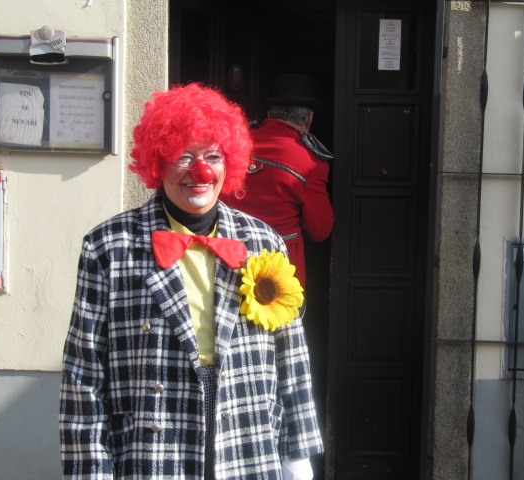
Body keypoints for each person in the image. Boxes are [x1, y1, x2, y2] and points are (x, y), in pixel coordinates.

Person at [59, 83, 323, 479]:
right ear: (157, 162)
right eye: (183, 157)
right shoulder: (108, 247)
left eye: (213, 156)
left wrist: (297, 456)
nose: (201, 172)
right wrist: (91, 471)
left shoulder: (262, 241)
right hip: (154, 451)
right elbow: (83, 374)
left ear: (229, 163)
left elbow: (291, 355)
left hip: (247, 444)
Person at [221, 73, 334, 288]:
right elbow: (320, 231)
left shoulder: (235, 144)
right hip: (279, 267)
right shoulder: (311, 162)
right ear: (309, 119)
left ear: (269, 113)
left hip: (227, 257)